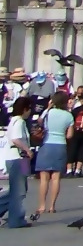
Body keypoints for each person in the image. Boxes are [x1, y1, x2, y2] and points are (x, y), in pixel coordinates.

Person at [35, 90, 73, 216]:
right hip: (60, 145)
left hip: (46, 144)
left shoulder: (48, 113)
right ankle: (52, 206)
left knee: (44, 179)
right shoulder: (69, 116)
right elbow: (69, 135)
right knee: (56, 178)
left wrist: (48, 107)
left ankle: (41, 206)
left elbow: (39, 122)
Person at [3, 95, 34, 228]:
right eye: (29, 109)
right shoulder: (19, 121)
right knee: (19, 191)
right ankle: (16, 219)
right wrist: (28, 150)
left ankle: (13, 216)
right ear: (25, 109)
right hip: (18, 158)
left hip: (15, 158)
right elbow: (16, 139)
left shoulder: (14, 121)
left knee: (18, 189)